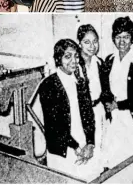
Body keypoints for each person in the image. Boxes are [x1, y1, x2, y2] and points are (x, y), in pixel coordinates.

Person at [37, 38, 100, 180]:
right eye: (68, 56)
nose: (74, 60)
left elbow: (89, 116)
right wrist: (76, 148)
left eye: (76, 56)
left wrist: (90, 143)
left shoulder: (80, 82)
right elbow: (55, 125)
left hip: (84, 146)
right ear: (58, 59)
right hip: (63, 150)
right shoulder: (48, 85)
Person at [99, 16, 133, 169]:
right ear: (113, 38)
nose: (122, 41)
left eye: (126, 37)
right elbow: (105, 89)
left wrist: (119, 105)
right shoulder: (109, 60)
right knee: (115, 163)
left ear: (132, 38)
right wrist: (108, 102)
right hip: (115, 118)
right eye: (118, 37)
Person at [76, 24, 105, 165]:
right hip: (81, 115)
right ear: (79, 43)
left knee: (99, 151)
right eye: (87, 42)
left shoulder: (100, 63)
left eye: (95, 41)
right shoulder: (74, 66)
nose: (92, 46)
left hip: (99, 111)